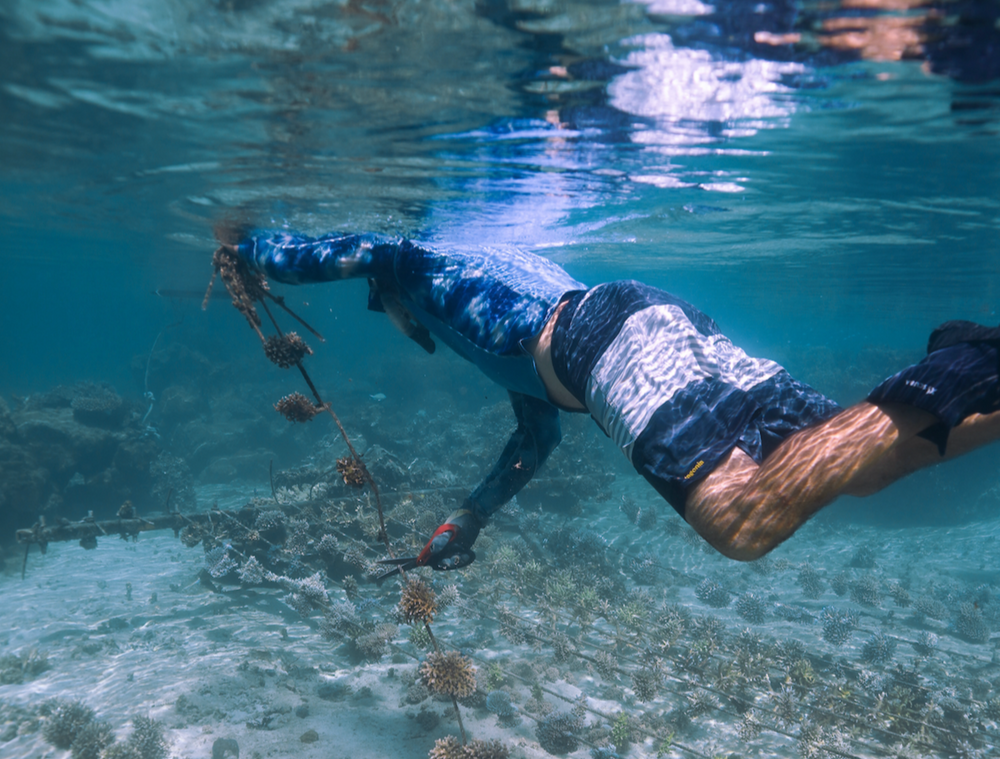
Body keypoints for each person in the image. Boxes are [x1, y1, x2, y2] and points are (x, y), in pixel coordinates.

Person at [233, 230, 1000, 568]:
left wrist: (253, 249)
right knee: (848, 463)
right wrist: (468, 518)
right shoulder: (492, 330)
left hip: (604, 340)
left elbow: (377, 249)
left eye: (392, 316)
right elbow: (536, 436)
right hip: (647, 325)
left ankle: (965, 358)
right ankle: (986, 381)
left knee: (739, 520)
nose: (409, 334)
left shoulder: (426, 270)